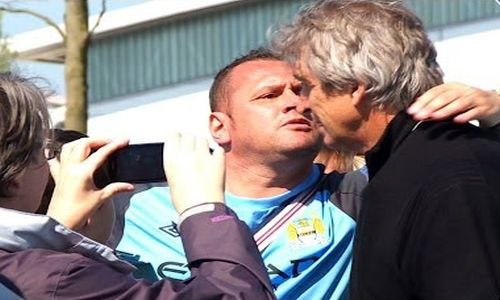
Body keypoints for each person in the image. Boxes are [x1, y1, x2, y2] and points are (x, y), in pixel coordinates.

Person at [116, 48, 500, 299]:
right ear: (219, 126)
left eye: (303, 91)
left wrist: (496, 111)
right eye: (269, 95)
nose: (294, 103)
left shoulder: (362, 198)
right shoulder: (130, 211)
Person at [270, 0, 500, 299]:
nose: (301, 105)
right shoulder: (404, 165)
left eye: (306, 87)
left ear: (356, 86)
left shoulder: (448, 173)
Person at [0, 72, 274, 299]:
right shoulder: (58, 278)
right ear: (13, 178)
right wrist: (203, 209)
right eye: (41, 152)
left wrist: (61, 237)